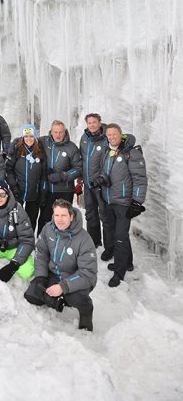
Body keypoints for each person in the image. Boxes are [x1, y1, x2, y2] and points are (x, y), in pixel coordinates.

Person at [24, 199, 97, 331]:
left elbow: (87, 273)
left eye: (63, 215)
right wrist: (41, 277)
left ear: (71, 216)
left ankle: (85, 310)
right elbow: (41, 253)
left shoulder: (84, 239)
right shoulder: (48, 229)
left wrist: (63, 287)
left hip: (75, 278)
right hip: (55, 274)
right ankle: (55, 300)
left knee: (76, 298)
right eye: (56, 215)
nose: (59, 219)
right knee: (31, 294)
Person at [95, 124, 147, 287]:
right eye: (109, 135)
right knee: (118, 234)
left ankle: (119, 272)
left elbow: (140, 179)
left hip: (123, 203)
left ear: (120, 134)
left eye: (114, 134)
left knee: (120, 237)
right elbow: (106, 171)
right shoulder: (107, 151)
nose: (111, 137)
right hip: (109, 199)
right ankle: (127, 263)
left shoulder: (131, 152)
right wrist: (101, 179)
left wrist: (137, 202)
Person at [39, 120, 82, 232]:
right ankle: (42, 242)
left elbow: (78, 168)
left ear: (65, 132)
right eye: (55, 132)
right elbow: (27, 140)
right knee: (45, 218)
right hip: (48, 190)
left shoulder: (72, 147)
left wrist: (62, 176)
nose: (58, 135)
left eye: (60, 132)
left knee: (64, 219)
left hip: (65, 190)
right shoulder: (44, 141)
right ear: (51, 132)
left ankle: (65, 243)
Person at [6, 124, 47, 230]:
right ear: (23, 137)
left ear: (35, 137)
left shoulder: (40, 151)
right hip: (18, 191)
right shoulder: (16, 149)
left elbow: (43, 175)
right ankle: (15, 241)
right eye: (26, 136)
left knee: (31, 220)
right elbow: (8, 169)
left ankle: (29, 243)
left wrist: (42, 192)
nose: (29, 139)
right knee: (15, 219)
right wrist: (13, 186)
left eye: (31, 136)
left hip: (34, 192)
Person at [79, 113, 109, 248]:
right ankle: (94, 241)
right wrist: (80, 178)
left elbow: (109, 161)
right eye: (89, 123)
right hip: (87, 183)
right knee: (90, 213)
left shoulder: (106, 138)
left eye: (94, 122)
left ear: (100, 122)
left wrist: (101, 178)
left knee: (105, 215)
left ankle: (109, 246)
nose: (92, 125)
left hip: (101, 183)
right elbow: (82, 158)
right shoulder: (84, 138)